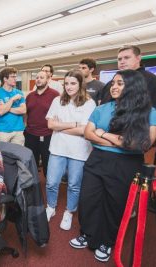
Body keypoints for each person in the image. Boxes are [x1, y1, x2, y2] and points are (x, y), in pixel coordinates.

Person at [70, 70, 156, 262]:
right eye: (113, 83)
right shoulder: (102, 108)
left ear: (134, 86)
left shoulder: (148, 112)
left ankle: (107, 241)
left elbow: (142, 144)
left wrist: (104, 134)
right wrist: (121, 141)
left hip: (126, 164)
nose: (114, 87)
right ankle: (87, 234)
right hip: (97, 160)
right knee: (89, 199)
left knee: (115, 203)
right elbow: (88, 133)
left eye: (120, 83)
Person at [45, 70, 96, 230]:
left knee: (74, 184)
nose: (69, 86)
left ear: (80, 84)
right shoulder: (57, 100)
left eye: (73, 83)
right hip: (58, 148)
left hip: (79, 151)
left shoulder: (89, 103)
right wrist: (74, 124)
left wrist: (60, 127)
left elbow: (84, 130)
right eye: (66, 83)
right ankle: (51, 207)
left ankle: (69, 211)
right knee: (51, 182)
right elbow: (50, 125)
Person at [99, 45, 156, 119]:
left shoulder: (151, 81)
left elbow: (154, 112)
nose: (122, 62)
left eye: (127, 58)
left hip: (135, 127)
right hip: (105, 127)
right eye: (119, 59)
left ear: (138, 58)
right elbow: (103, 106)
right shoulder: (111, 83)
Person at [24, 70, 59, 177]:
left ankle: (48, 186)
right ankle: (32, 187)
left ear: (48, 80)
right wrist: (25, 125)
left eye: (42, 77)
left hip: (48, 134)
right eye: (37, 77)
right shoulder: (30, 96)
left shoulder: (55, 95)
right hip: (30, 134)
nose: (38, 79)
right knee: (31, 163)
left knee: (47, 163)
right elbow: (26, 113)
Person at [0, 67, 26, 145]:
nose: (15, 79)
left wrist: (6, 108)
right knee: (4, 155)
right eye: (12, 77)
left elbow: (23, 110)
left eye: (15, 77)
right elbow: (0, 112)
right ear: (5, 79)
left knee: (18, 155)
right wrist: (12, 99)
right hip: (4, 131)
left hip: (18, 130)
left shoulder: (19, 93)